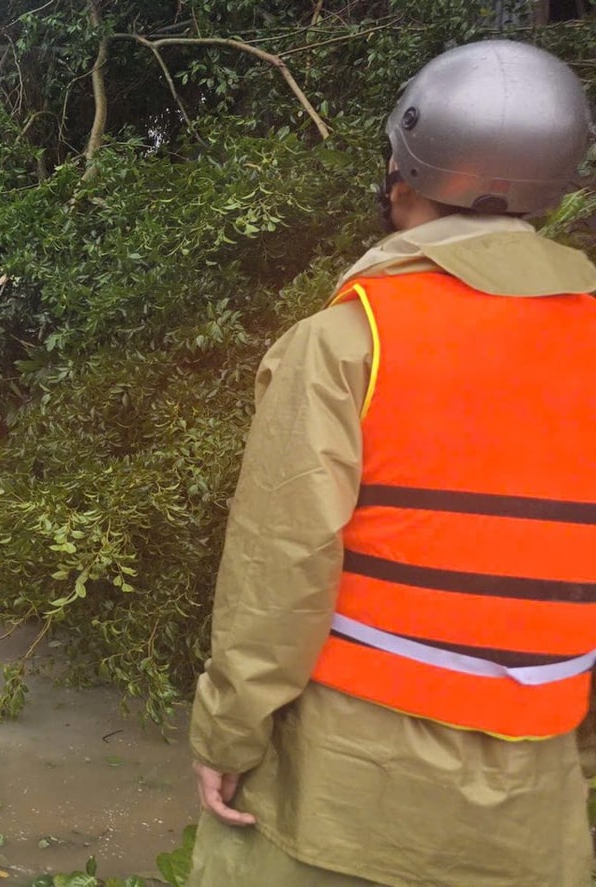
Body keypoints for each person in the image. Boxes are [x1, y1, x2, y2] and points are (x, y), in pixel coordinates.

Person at [187, 39, 596, 886]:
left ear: (400, 176)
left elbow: (282, 566)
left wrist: (228, 735)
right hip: (537, 796)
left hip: (345, 785)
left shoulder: (348, 341)